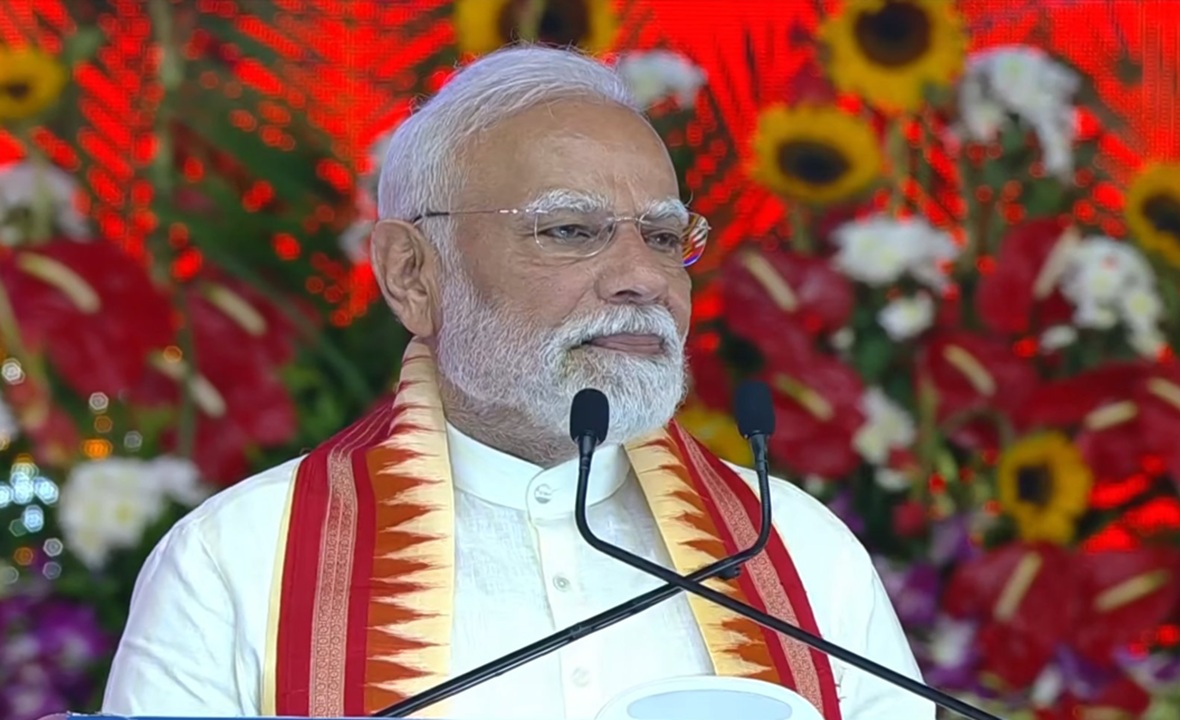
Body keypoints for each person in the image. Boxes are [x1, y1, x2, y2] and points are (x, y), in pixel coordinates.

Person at [101, 46, 931, 720]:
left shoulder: (800, 552)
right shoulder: (238, 562)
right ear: (412, 274)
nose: (643, 277)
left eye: (664, 234)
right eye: (572, 230)